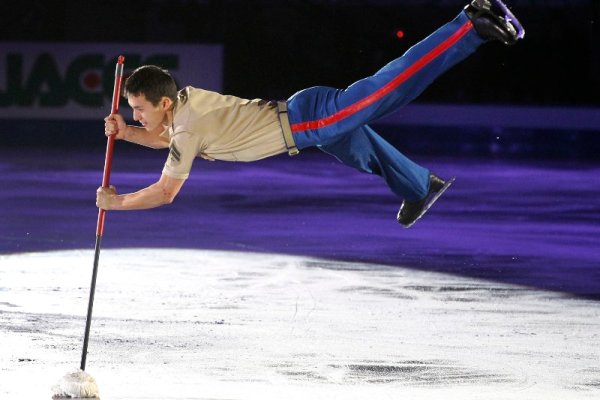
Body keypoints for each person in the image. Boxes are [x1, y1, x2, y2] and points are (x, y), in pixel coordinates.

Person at [97, 0, 524, 228]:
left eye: (137, 110)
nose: (136, 116)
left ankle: (471, 23)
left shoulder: (186, 126)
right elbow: (167, 138)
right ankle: (419, 185)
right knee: (362, 150)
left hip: (307, 120)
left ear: (164, 104)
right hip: (305, 122)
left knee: (392, 87)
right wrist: (127, 132)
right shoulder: (185, 108)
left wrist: (117, 203)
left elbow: (166, 191)